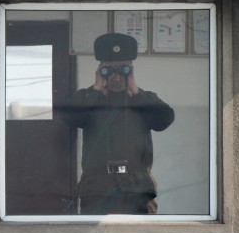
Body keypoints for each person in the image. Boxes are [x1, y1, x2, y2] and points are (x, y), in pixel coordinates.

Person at [58, 33, 174, 214]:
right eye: (109, 70)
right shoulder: (87, 98)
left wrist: (134, 90)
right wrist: (96, 89)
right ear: (99, 70)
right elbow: (69, 119)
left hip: (136, 189)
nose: (116, 77)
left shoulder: (143, 99)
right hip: (97, 189)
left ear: (131, 70)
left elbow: (164, 121)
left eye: (123, 70)